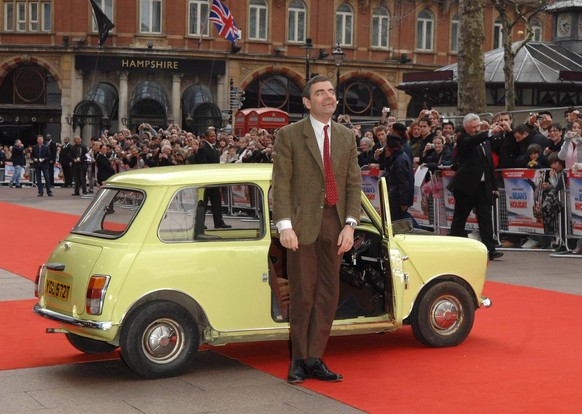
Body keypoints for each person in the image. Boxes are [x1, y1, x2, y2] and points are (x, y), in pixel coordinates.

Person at [272, 75, 361, 384]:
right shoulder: (289, 135)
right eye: (320, 93)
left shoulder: (346, 136)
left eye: (331, 92)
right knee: (302, 294)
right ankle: (297, 359)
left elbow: (353, 182)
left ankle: (315, 358)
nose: (328, 97)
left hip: (335, 224)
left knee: (327, 294)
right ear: (308, 102)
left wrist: (350, 224)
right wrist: (285, 225)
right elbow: (281, 182)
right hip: (302, 225)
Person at [448, 113, 504, 260]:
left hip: (483, 186)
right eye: (473, 127)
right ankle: (454, 244)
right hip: (466, 187)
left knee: (485, 218)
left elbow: (489, 165)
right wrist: (490, 131)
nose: (477, 129)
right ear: (466, 127)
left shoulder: (485, 141)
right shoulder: (463, 140)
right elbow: (472, 141)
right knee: (460, 217)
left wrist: (494, 186)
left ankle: (490, 249)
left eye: (478, 126)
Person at [195, 128, 231, 229]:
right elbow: (203, 166)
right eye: (211, 136)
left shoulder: (214, 147)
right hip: (206, 182)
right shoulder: (203, 148)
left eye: (214, 136)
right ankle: (200, 223)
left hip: (214, 180)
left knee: (217, 202)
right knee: (204, 204)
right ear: (206, 137)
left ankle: (219, 222)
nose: (213, 138)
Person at [382, 134, 416, 223]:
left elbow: (403, 181)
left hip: (397, 197)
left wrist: (403, 202)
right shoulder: (398, 157)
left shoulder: (400, 159)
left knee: (401, 219)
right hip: (396, 196)